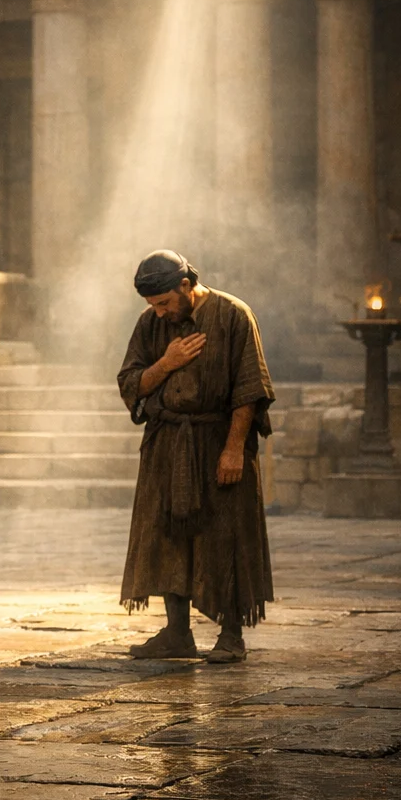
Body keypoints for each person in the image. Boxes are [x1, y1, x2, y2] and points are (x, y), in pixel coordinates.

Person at [116, 250, 274, 664]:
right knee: (167, 534)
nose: (160, 311)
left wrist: (234, 449)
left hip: (218, 440)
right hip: (167, 442)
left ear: (185, 285)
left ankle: (232, 635)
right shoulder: (151, 324)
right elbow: (130, 381)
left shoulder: (233, 315)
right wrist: (166, 364)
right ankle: (177, 633)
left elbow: (249, 389)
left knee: (225, 535)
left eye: (164, 302)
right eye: (153, 305)